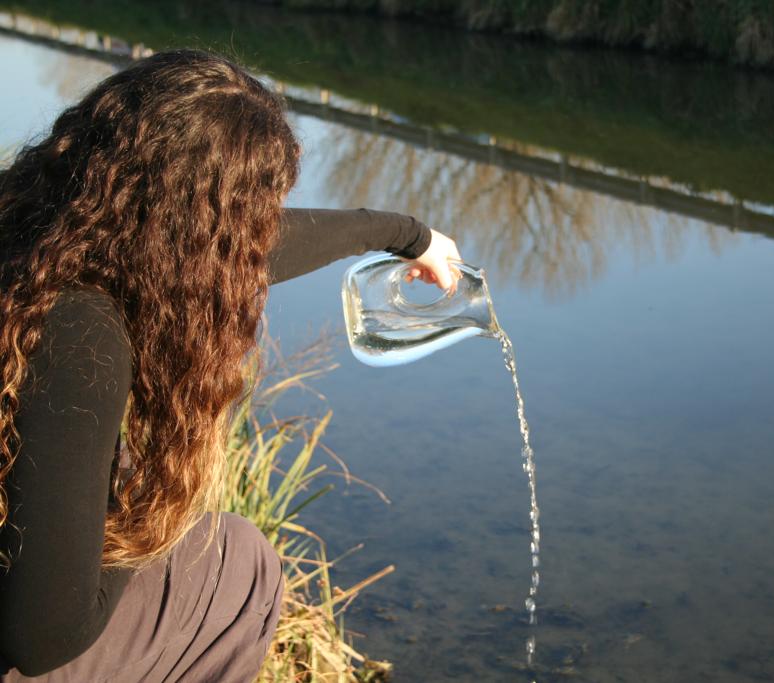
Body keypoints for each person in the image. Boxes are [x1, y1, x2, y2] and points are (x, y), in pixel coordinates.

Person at [0, 49, 462, 681]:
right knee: (239, 566)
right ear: (189, 232)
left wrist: (405, 234)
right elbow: (43, 638)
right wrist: (138, 513)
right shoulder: (80, 338)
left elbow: (227, 253)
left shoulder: (30, 228)